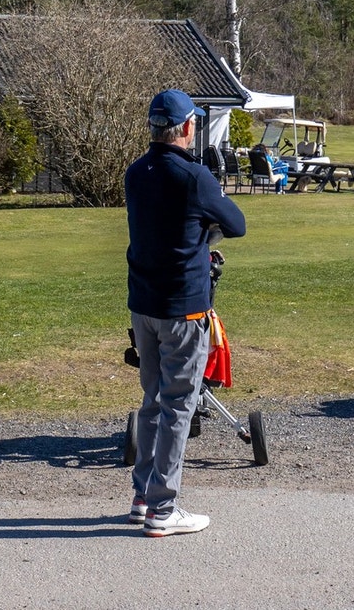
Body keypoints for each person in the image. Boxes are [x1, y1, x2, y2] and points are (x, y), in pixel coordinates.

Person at [124, 88, 247, 537]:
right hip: (184, 308)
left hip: (144, 305)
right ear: (188, 128)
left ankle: (142, 497)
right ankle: (163, 507)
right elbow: (236, 225)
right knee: (179, 404)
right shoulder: (195, 177)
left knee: (153, 401)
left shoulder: (136, 173)